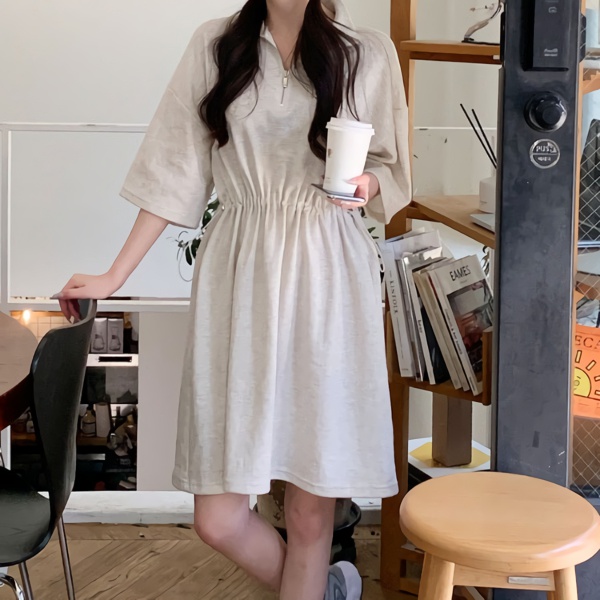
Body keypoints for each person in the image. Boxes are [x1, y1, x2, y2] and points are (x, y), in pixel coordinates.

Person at [56, 0, 411, 598]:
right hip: (239, 275)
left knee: (310, 514)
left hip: (329, 274)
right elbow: (174, 166)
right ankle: (327, 590)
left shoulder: (368, 51)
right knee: (217, 519)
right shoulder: (217, 45)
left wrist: (366, 182)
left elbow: (389, 169)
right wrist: (114, 276)